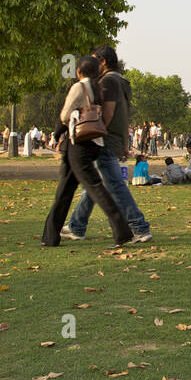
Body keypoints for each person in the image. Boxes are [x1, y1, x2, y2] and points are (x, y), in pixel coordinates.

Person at [61, 46, 153, 244]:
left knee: (114, 185)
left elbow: (109, 112)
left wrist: (95, 132)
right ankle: (77, 226)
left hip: (106, 139)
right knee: (94, 185)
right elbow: (124, 113)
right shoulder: (122, 81)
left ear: (103, 62)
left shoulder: (108, 81)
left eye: (95, 61)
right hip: (115, 138)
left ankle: (139, 227)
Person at [42, 55, 134, 248]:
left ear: (79, 72)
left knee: (94, 188)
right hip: (93, 143)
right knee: (65, 190)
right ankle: (50, 236)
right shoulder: (98, 89)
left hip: (79, 145)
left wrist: (59, 131)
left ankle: (122, 230)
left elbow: (65, 115)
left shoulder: (79, 87)